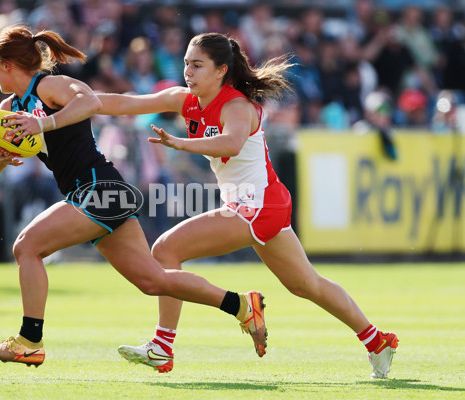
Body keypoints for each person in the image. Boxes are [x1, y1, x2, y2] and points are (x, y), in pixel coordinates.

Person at [96, 32, 399, 379]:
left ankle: (162, 347)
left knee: (165, 249)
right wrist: (72, 100)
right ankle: (378, 341)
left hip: (255, 205)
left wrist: (180, 144)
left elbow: (233, 142)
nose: (188, 72)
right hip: (254, 206)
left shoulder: (236, 105)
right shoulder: (185, 99)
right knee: (305, 285)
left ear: (221, 70)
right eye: (186, 64)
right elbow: (122, 103)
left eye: (197, 65)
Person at [0, 25, 266, 368]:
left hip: (100, 189)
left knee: (26, 245)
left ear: (6, 64)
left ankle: (29, 341)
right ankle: (242, 306)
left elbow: (89, 100)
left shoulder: (49, 86)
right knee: (153, 280)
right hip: (91, 194)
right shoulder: (9, 107)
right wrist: (0, 157)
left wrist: (44, 125)